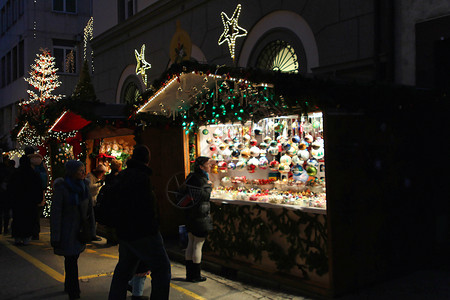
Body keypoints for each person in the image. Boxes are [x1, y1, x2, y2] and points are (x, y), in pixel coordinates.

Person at [108, 145, 171, 300]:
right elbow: (146, 207)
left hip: (125, 231)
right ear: (148, 159)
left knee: (124, 270)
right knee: (162, 269)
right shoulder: (141, 178)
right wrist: (154, 227)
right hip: (143, 231)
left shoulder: (123, 176)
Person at [50, 160, 95, 300]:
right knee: (71, 259)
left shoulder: (84, 187)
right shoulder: (62, 188)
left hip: (80, 230)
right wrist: (55, 236)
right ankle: (74, 291)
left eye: (83, 170)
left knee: (72, 258)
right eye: (80, 170)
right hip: (67, 230)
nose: (83, 173)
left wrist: (91, 229)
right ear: (72, 172)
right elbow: (56, 213)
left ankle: (69, 285)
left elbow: (90, 211)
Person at [184, 156, 213, 282]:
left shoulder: (190, 177)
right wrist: (209, 186)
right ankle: (196, 275)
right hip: (200, 216)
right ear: (201, 167)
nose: (210, 166)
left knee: (191, 243)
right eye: (208, 164)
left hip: (190, 215)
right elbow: (204, 196)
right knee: (198, 245)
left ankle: (189, 274)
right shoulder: (202, 180)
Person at [7, 155, 43, 245]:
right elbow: (38, 188)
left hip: (18, 202)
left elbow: (10, 188)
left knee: (17, 218)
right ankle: (26, 237)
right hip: (30, 202)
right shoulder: (33, 174)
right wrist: (38, 200)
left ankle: (17, 237)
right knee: (28, 219)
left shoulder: (16, 174)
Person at [86, 163, 107, 241]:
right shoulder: (90, 177)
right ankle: (91, 235)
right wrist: (99, 184)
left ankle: (92, 234)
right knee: (91, 218)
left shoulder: (96, 177)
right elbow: (90, 187)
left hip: (95, 200)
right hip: (90, 200)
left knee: (94, 218)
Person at [0, 158, 15, 235]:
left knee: (2, 212)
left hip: (3, 194)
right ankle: (6, 229)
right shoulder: (14, 172)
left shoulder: (4, 172)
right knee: (7, 213)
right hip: (10, 195)